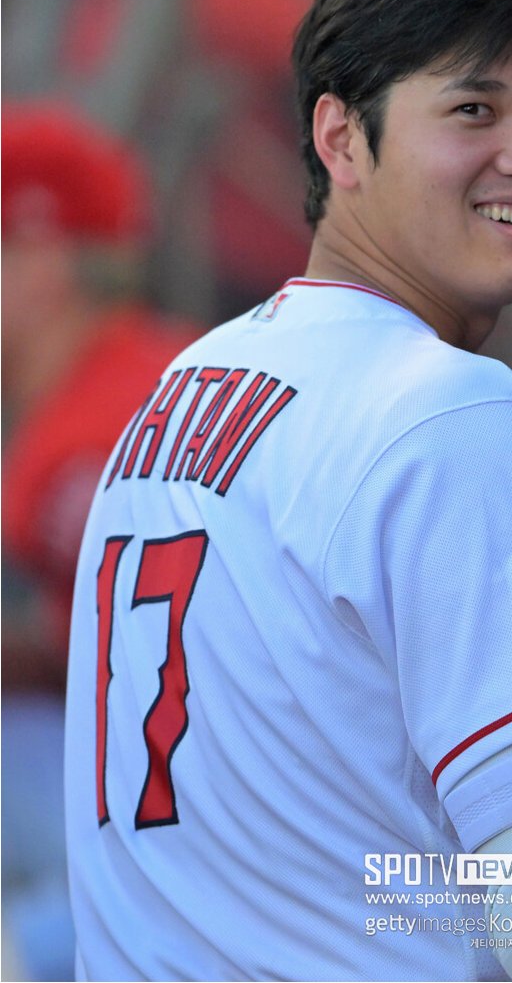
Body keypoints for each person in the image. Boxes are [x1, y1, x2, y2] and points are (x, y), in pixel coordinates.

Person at [64, 0, 512, 981]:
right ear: (341, 139)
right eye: (473, 109)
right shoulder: (451, 416)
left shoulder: (180, 388)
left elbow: (336, 860)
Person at [1, 102, 200, 980]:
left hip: (232, 840)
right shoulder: (128, 368)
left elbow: (163, 670)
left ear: (42, 261)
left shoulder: (97, 429)